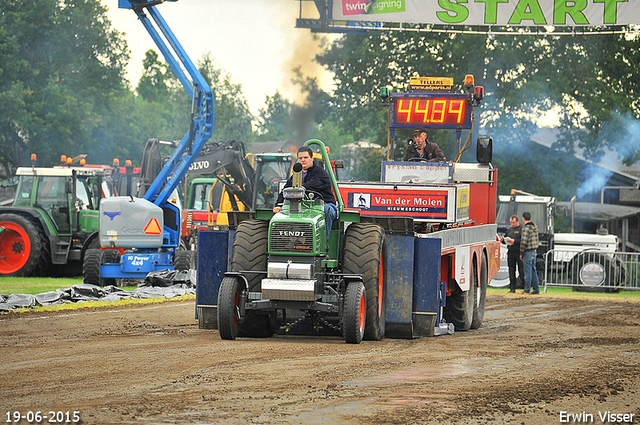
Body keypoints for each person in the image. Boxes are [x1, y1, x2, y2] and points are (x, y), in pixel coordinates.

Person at [273, 146, 337, 242]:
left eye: (306, 157)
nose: (303, 160)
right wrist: (278, 204)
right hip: (301, 205)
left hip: (322, 204)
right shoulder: (295, 175)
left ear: (312, 158)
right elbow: (285, 190)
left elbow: (316, 183)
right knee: (282, 211)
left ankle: (324, 243)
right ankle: (284, 243)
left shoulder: (321, 173)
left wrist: (302, 188)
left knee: (326, 211)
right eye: (300, 158)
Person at [500, 215, 524, 293]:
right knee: (511, 270)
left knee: (521, 270)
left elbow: (523, 241)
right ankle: (512, 288)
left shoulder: (521, 229)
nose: (512, 224)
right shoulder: (509, 230)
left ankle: (524, 286)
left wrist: (514, 241)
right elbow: (505, 239)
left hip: (519, 252)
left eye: (513, 222)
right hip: (511, 252)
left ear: (517, 221)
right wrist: (502, 240)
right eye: (511, 222)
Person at [519, 211, 540, 295]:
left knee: (527, 272)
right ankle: (536, 290)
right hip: (534, 251)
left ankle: (526, 290)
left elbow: (524, 242)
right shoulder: (535, 227)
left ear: (523, 218)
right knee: (534, 271)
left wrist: (521, 253)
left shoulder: (525, 228)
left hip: (527, 252)